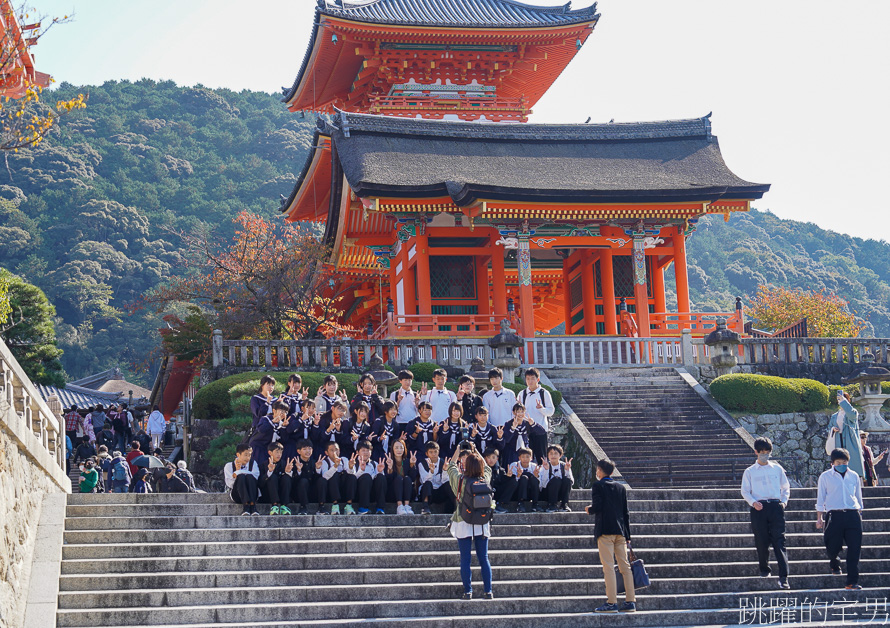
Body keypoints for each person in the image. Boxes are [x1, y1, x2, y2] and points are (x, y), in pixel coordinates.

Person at [740, 437, 791, 589]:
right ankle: (764, 568)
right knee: (761, 541)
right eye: (761, 452)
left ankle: (784, 576)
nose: (764, 455)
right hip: (759, 507)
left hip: (775, 506)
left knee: (779, 541)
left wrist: (783, 502)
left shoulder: (777, 468)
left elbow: (785, 487)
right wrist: (753, 502)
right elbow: (745, 491)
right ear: (756, 452)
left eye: (767, 452)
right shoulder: (749, 471)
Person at [586, 458, 635, 613]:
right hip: (620, 531)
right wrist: (628, 535)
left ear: (600, 471)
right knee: (625, 567)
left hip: (605, 530)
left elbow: (598, 506)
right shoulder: (621, 488)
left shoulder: (598, 486)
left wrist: (589, 509)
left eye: (597, 469)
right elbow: (625, 513)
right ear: (612, 472)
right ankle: (630, 601)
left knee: (608, 567)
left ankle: (612, 602)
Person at [447, 448, 494, 601]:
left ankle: (468, 591)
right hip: (482, 522)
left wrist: (457, 450)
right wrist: (476, 451)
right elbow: (487, 467)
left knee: (465, 559)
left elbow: (451, 466)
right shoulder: (485, 478)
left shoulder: (460, 480)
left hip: (463, 521)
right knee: (484, 558)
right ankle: (488, 591)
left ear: (466, 465)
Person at [816, 448, 864, 590]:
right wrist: (819, 517)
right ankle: (834, 562)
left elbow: (858, 495)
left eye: (844, 462)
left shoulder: (854, 476)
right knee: (832, 545)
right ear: (832, 463)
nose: (842, 464)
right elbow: (820, 498)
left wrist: (860, 511)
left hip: (852, 514)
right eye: (839, 462)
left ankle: (852, 581)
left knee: (854, 549)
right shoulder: (825, 477)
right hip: (834, 515)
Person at [518, 368, 554, 462]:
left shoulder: (544, 393)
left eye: (532, 378)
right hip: (526, 430)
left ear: (538, 379)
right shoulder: (522, 394)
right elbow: (517, 411)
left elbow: (551, 411)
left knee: (541, 457)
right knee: (526, 458)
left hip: (540, 430)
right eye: (528, 378)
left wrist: (541, 409)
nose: (530, 381)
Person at [826, 391, 864, 478]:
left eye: (843, 399)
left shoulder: (853, 412)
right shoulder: (834, 416)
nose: (840, 401)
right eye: (839, 399)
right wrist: (833, 429)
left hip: (850, 440)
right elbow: (830, 427)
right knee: (839, 459)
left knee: (852, 463)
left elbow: (852, 416)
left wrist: (844, 402)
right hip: (838, 440)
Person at [317, 441, 357, 515]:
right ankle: (335, 505)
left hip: (343, 489)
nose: (335, 452)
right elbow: (325, 477)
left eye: (337, 449)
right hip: (330, 490)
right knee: (333, 475)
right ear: (326, 452)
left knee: (351, 477)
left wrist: (351, 467)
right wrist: (335, 466)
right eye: (332, 450)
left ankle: (349, 505)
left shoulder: (344, 459)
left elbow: (353, 475)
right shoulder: (324, 462)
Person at [249, 400, 289, 469]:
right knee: (258, 467)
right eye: (281, 411)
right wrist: (272, 422)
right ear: (274, 410)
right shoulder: (265, 419)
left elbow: (284, 440)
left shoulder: (282, 423)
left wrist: (283, 427)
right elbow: (261, 429)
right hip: (259, 447)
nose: (283, 413)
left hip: (270, 450)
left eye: (285, 412)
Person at [501, 447, 541, 512]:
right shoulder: (514, 465)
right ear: (519, 458)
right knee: (523, 478)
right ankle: (520, 504)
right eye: (523, 457)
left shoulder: (534, 466)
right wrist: (518, 475)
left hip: (530, 491)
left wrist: (536, 476)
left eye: (527, 457)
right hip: (518, 492)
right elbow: (513, 483)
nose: (525, 459)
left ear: (531, 458)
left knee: (534, 479)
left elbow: (541, 484)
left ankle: (535, 504)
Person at [418, 441, 453, 514]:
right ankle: (425, 507)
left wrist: (445, 470)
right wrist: (431, 471)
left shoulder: (443, 462)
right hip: (428, 492)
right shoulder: (422, 464)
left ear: (438, 452)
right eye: (431, 452)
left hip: (439, 491)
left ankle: (456, 507)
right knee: (427, 483)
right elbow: (424, 480)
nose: (433, 454)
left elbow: (445, 480)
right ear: (426, 454)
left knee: (448, 484)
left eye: (435, 452)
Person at [224, 443, 261, 515]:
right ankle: (246, 506)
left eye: (250, 455)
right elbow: (230, 484)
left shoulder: (253, 464)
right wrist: (238, 474)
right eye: (246, 455)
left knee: (249, 477)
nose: (248, 458)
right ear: (238, 455)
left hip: (252, 494)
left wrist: (238, 472)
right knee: (241, 477)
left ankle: (253, 506)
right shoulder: (229, 466)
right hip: (237, 495)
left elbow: (255, 477)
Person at [260, 442, 295, 515]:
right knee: (272, 477)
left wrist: (288, 472)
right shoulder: (263, 465)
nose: (279, 454)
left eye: (281, 452)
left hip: (282, 493)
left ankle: (284, 506)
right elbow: (260, 483)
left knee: (286, 478)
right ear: (270, 452)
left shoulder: (285, 464)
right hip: (268, 494)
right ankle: (274, 505)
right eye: (277, 452)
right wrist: (269, 472)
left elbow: (292, 483)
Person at [353, 441, 386, 514]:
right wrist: (361, 470)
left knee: (381, 477)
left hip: (372, 493)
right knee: (366, 477)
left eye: (368, 450)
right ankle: (362, 508)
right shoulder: (353, 463)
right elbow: (352, 480)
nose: (366, 453)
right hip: (359, 493)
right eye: (363, 450)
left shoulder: (375, 464)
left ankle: (380, 508)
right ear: (357, 452)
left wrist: (379, 472)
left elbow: (381, 482)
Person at [539, 444, 574, 512]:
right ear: (548, 456)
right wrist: (546, 470)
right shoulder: (544, 466)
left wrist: (567, 470)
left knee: (567, 480)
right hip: (547, 493)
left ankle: (564, 504)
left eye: (555, 453)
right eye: (551, 454)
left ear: (560, 455)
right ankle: (551, 505)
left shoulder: (564, 465)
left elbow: (571, 482)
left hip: (560, 493)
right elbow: (542, 485)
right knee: (556, 480)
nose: (553, 456)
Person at [386, 438, 416, 515]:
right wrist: (390, 468)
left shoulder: (407, 461)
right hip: (393, 493)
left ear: (404, 449)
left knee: (407, 478)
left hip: (407, 493)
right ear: (392, 449)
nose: (399, 450)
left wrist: (412, 465)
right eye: (396, 448)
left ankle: (407, 506)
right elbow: (388, 481)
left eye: (401, 447)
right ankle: (399, 506)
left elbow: (412, 479)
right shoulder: (389, 461)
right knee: (398, 478)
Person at [292, 439, 318, 515]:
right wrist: (298, 470)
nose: (308, 451)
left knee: (322, 480)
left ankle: (322, 506)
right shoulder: (294, 463)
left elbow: (316, 480)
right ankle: (303, 507)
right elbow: (293, 482)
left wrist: (318, 470)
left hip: (312, 492)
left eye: (310, 449)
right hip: (298, 494)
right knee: (303, 481)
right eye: (304, 449)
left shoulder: (315, 462)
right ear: (298, 451)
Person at [483, 449, 510, 514]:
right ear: (485, 458)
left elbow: (503, 483)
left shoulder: (500, 470)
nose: (491, 460)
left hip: (497, 493)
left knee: (513, 482)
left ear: (497, 459)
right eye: (488, 457)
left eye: (493, 457)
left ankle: (500, 504)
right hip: (486, 493)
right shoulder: (481, 469)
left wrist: (508, 476)